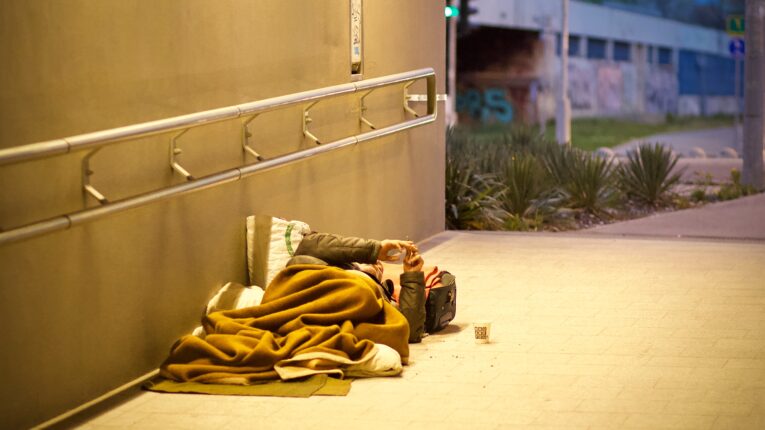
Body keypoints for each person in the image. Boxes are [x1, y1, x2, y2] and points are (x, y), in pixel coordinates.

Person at [285, 232, 427, 343]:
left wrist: (412, 275)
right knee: (300, 261)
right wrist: (374, 249)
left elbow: (409, 329)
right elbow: (308, 245)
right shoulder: (321, 265)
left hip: (342, 314)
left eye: (380, 268)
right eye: (374, 262)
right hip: (313, 301)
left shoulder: (381, 298)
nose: (378, 265)